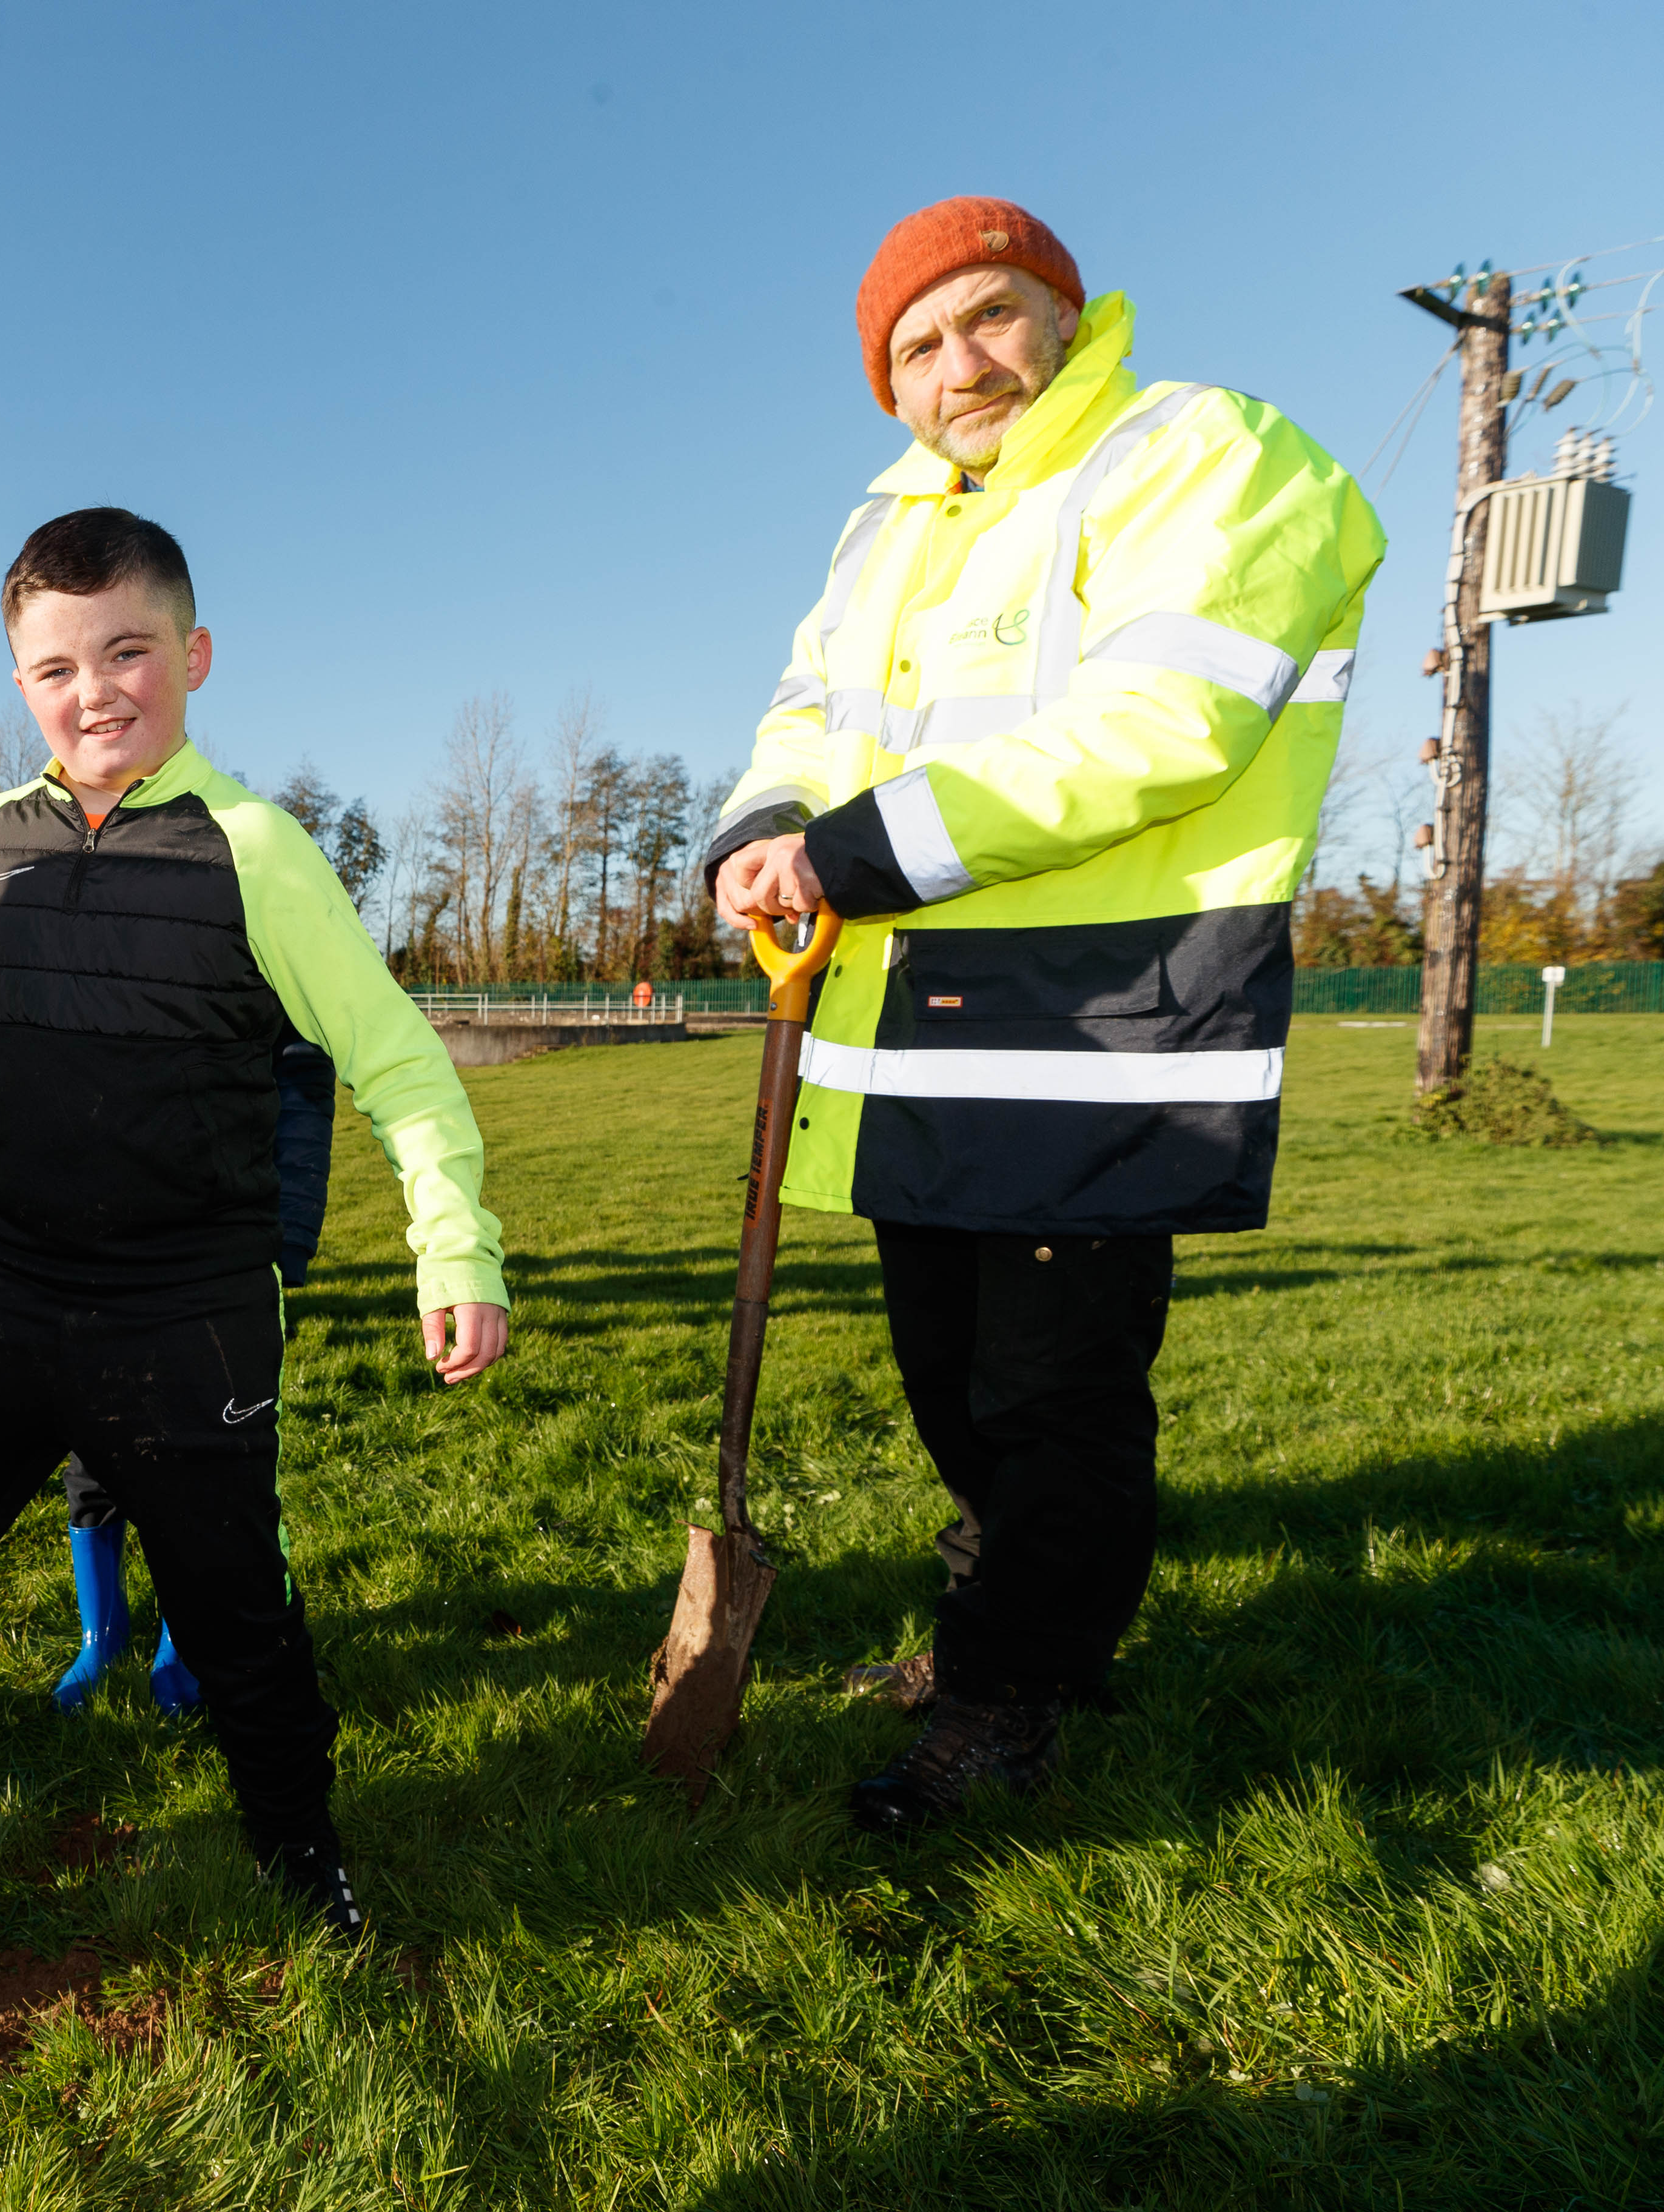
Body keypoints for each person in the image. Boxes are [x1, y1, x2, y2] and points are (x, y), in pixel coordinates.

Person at [0, 509, 509, 1940]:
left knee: (234, 1605)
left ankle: (295, 1850)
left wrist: (454, 1246)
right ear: (19, 683)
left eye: (126, 652)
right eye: (56, 667)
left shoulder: (252, 848)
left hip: (185, 1305)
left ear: (190, 656)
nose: (94, 692)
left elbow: (396, 1061)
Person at [703, 199, 1384, 1832]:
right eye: (918, 346)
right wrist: (756, 832)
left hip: (1101, 1018)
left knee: (1053, 1398)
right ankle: (1006, 1633)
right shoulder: (890, 528)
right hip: (912, 1027)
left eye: (992, 315)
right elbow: (806, 710)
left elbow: (1169, 721)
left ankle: (1012, 1697)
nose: (963, 362)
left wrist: (854, 852)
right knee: (950, 1381)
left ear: (1068, 317)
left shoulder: (1196, 450)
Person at [51, 1032, 334, 1715]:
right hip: (94, 1244)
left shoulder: (268, 949)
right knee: (93, 1450)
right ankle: (103, 1636)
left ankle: (186, 1639)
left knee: (205, 1458)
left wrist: (287, 1232)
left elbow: (300, 1079)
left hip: (220, 1258)